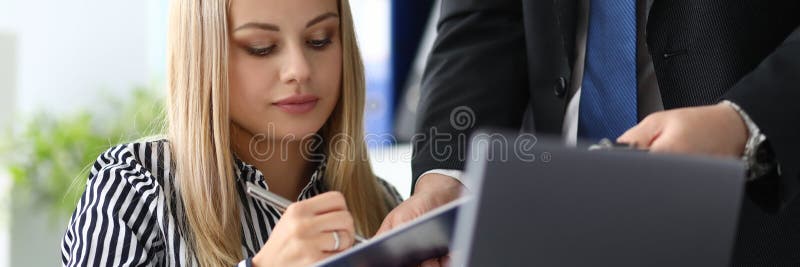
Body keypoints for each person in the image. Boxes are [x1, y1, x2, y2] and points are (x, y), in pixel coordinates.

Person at [379, 0, 800, 265]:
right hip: (545, 224)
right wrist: (448, 177)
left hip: (757, 213)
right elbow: (481, 16)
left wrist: (740, 125)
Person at [60, 0, 402, 266]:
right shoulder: (134, 190)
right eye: (261, 47)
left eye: (319, 40)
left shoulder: (385, 207)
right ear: (204, 55)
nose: (299, 69)